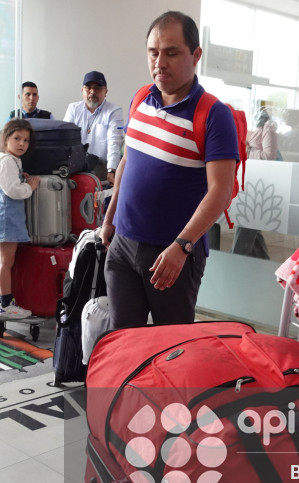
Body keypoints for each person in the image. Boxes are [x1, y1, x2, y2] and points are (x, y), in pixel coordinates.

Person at [100, 11, 238, 329]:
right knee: (123, 340)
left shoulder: (214, 115)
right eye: (154, 52)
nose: (160, 62)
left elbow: (221, 192)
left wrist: (182, 246)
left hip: (173, 254)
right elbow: (126, 162)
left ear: (196, 55)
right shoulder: (140, 99)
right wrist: (109, 218)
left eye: (172, 52)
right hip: (122, 246)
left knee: (171, 349)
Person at [0, 119, 41, 320]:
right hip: (6, 218)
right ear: (5, 140)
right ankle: (6, 304)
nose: (22, 143)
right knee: (7, 262)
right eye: (17, 138)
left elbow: (7, 181)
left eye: (25, 140)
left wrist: (19, 177)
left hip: (5, 217)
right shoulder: (6, 161)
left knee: (2, 261)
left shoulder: (8, 160)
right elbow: (13, 191)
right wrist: (29, 187)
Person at [63, 71, 124, 186]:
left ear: (105, 92)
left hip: (102, 170)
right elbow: (66, 138)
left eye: (97, 88)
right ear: (82, 91)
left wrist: (111, 170)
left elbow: (114, 141)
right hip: (76, 170)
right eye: (88, 88)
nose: (92, 92)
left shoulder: (114, 111)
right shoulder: (73, 109)